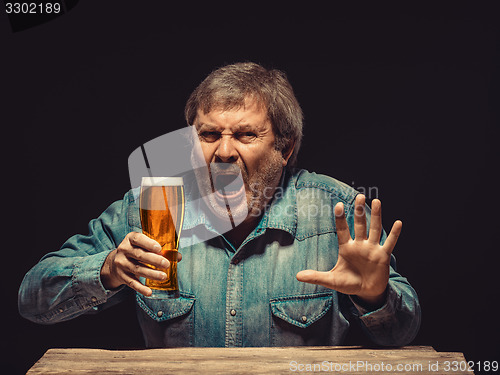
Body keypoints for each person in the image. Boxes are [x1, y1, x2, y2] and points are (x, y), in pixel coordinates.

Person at [19, 62, 420, 347]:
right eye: (208, 134)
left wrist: (374, 297)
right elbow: (33, 298)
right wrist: (106, 269)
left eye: (245, 135)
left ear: (285, 148)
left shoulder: (338, 214)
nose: (223, 152)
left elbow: (402, 333)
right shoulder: (150, 208)